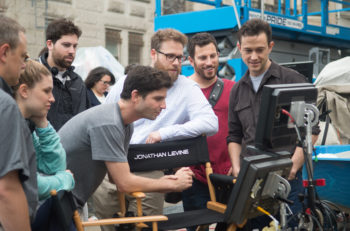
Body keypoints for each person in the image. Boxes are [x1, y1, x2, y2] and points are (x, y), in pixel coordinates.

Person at [93, 29, 218, 231]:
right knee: (111, 224)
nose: (177, 63)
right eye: (170, 56)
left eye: (180, 57)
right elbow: (104, 117)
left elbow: (210, 123)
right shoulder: (128, 82)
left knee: (145, 227)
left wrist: (165, 133)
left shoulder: (187, 88)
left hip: (151, 164)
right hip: (115, 161)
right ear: (153, 54)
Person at [58, 65, 194, 215]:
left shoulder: (124, 123)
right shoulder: (109, 122)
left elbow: (116, 178)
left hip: (67, 200)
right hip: (56, 201)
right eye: (158, 99)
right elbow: (123, 183)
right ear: (135, 96)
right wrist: (171, 183)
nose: (164, 105)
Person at [226, 18, 319, 229]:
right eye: (248, 50)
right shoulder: (237, 90)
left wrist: (294, 167)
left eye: (260, 50)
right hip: (251, 180)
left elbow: (311, 130)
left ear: (270, 46)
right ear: (239, 48)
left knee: (290, 226)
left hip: (288, 179)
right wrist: (237, 167)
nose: (253, 56)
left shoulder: (293, 81)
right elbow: (233, 135)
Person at [13, 59, 75, 230]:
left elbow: (55, 166)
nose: (52, 99)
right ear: (24, 91)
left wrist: (42, 121)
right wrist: (65, 179)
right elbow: (32, 185)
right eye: (47, 91)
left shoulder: (27, 123)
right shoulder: (11, 125)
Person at [183, 32, 234, 231]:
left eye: (213, 56)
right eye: (203, 57)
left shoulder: (233, 89)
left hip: (229, 176)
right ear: (191, 60)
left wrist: (238, 163)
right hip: (195, 179)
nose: (210, 62)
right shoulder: (181, 90)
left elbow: (246, 130)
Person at [0, 15, 37, 231]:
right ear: (4, 52)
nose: (24, 65)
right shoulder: (5, 104)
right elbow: (7, 189)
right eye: (22, 56)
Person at [39, 18, 90, 131]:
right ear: (50, 44)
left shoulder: (78, 82)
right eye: (66, 45)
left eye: (75, 46)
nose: (72, 51)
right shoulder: (32, 75)